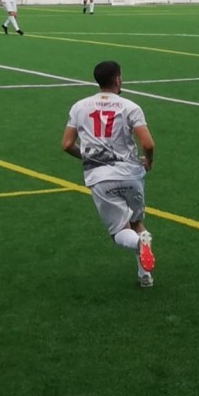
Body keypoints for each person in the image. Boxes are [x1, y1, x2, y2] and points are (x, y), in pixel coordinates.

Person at [61, 60, 157, 288]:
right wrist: (148, 161)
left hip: (101, 177)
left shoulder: (79, 106)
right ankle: (145, 276)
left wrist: (88, 157)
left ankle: (140, 245)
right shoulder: (130, 106)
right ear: (117, 79)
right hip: (131, 174)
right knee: (136, 221)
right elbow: (148, 144)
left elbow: (66, 144)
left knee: (119, 234)